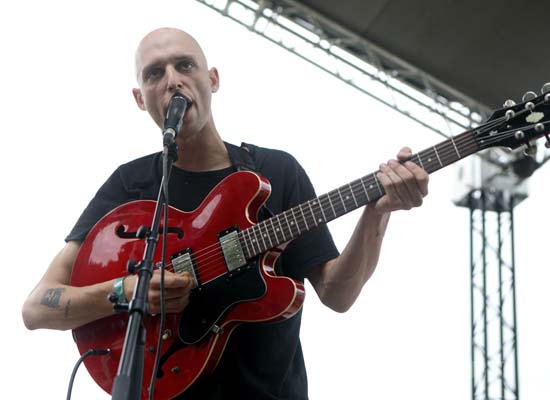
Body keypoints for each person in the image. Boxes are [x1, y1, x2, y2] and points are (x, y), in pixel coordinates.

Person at [22, 27, 429, 399]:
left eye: (184, 65)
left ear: (212, 79)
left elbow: (338, 293)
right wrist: (126, 292)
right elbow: (38, 306)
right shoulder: (129, 186)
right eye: (154, 74)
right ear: (139, 98)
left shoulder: (276, 172)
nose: (172, 81)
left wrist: (377, 213)